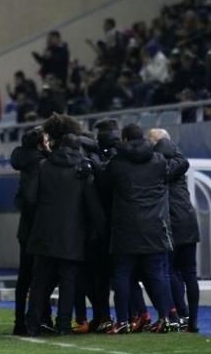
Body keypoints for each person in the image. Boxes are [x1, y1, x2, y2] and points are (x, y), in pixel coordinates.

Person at [23, 115, 105, 336]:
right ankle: (63, 325)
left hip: (43, 233)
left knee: (40, 282)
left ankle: (31, 325)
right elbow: (92, 206)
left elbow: (29, 198)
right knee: (69, 283)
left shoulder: (42, 166)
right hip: (72, 234)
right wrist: (101, 230)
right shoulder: (82, 170)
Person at [102, 124, 182, 333]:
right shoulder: (158, 160)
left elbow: (103, 184)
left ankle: (123, 322)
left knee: (122, 275)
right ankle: (165, 318)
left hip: (125, 227)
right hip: (154, 225)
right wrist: (166, 143)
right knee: (158, 275)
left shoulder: (117, 163)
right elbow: (181, 164)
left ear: (125, 139)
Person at [147, 128, 200, 333]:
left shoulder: (156, 165)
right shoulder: (180, 162)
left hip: (169, 223)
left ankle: (180, 314)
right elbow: (181, 160)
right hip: (188, 220)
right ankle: (193, 320)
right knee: (190, 273)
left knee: (170, 271)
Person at [10, 125, 50, 335]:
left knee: (25, 278)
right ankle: (39, 320)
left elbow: (22, 198)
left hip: (25, 229)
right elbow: (32, 197)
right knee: (40, 277)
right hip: (38, 229)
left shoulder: (24, 162)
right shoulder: (40, 163)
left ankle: (21, 321)